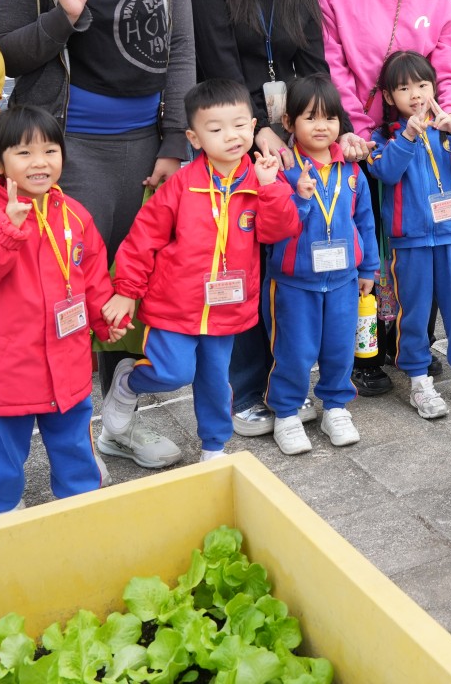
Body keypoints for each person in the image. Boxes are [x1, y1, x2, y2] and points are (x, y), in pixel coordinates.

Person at [0, 0, 193, 472]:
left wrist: (174, 142)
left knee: (129, 293)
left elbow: (181, 50)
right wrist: (64, 16)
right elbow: (7, 53)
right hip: (66, 153)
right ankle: (72, 438)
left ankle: (117, 424)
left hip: (144, 153)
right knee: (65, 296)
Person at [316, 0, 451, 397]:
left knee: (421, 246)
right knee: (367, 252)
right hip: (361, 143)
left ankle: (413, 345)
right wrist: (357, 132)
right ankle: (365, 354)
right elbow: (332, 65)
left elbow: (450, 61)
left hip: (422, 141)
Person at [98, 80, 301, 461]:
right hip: (174, 307)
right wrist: (126, 290)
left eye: (239, 125)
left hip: (228, 307)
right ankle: (127, 381)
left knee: (215, 380)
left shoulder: (261, 180)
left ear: (253, 126)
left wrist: (271, 188)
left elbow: (280, 230)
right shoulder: (180, 186)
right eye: (216, 129)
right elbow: (142, 239)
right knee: (173, 373)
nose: (231, 136)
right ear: (194, 138)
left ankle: (213, 447)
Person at [189, 0, 326, 437]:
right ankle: (244, 391)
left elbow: (313, 71)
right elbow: (219, 64)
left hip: (285, 142)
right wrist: (259, 130)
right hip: (233, 141)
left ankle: (283, 386)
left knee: (285, 266)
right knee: (240, 265)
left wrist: (316, 131)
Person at [0, 106, 129, 517]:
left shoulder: (74, 213)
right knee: (4, 454)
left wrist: (105, 319)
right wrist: (7, 230)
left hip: (66, 362)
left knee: (74, 443)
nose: (40, 162)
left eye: (50, 151)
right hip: (5, 371)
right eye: (24, 153)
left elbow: (92, 275)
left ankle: (80, 503)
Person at [368, 52, 451, 418]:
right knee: (414, 314)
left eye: (422, 85)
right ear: (389, 96)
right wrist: (407, 136)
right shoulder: (383, 138)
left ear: (434, 87)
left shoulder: (448, 128)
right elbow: (386, 173)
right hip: (410, 243)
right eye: (404, 88)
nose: (416, 94)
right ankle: (419, 382)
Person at [263, 75, 377, 455]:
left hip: (343, 280)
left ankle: (336, 407)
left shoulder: (351, 170)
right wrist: (299, 198)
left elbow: (365, 221)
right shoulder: (283, 170)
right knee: (294, 351)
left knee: (339, 349)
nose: (321, 126)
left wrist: (368, 268)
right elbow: (272, 226)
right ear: (288, 122)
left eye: (329, 117)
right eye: (310, 117)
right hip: (295, 283)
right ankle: (287, 412)